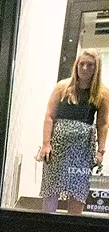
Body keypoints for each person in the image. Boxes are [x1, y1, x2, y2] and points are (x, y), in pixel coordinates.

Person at [38, 48, 109, 214]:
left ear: (96, 68)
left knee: (78, 192)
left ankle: (72, 231)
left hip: (83, 149)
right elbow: (49, 116)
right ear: (76, 65)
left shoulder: (102, 93)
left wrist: (101, 151)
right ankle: (46, 229)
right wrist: (46, 144)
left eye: (90, 65)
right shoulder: (62, 86)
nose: (84, 68)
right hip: (57, 146)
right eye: (82, 64)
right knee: (51, 189)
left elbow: (103, 123)